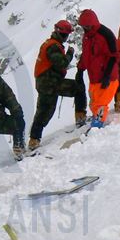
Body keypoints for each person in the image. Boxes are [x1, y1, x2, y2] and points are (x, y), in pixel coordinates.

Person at [29, 20, 86, 150]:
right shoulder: (53, 47)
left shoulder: (48, 43)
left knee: (43, 111)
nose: (66, 38)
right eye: (66, 35)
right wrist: (70, 54)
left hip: (44, 83)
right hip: (50, 83)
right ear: (62, 34)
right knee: (78, 88)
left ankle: (34, 140)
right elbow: (62, 63)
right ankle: (80, 117)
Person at [76, 9, 119, 127]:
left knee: (101, 103)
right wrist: (80, 70)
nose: (85, 29)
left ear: (93, 24)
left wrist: (107, 75)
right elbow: (86, 55)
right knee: (94, 103)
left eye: (87, 26)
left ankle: (98, 124)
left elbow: (114, 56)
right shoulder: (87, 37)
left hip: (108, 77)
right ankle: (96, 118)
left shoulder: (106, 35)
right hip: (94, 77)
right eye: (83, 26)